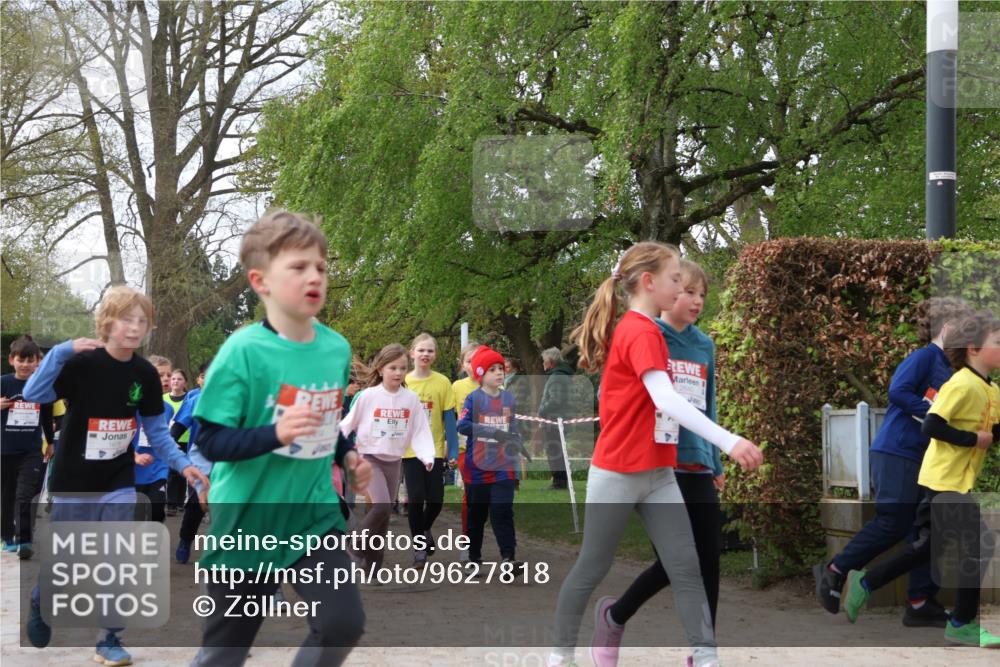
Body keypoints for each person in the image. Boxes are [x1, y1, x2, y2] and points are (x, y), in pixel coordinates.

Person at [546, 242, 763, 667]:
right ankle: (559, 657)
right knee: (592, 567)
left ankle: (706, 657)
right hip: (619, 472)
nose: (684, 289)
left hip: (660, 473)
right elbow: (666, 398)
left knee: (687, 567)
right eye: (676, 280)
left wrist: (712, 453)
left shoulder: (652, 330)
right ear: (649, 282)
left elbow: (678, 401)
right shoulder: (640, 329)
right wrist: (728, 441)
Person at [188, 210, 371, 667]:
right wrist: (274, 434)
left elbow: (324, 423)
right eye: (298, 267)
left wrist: (348, 456)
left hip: (312, 516)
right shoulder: (242, 351)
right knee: (224, 654)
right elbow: (210, 440)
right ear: (260, 281)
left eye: (321, 268)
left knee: (341, 624)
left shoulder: (336, 349)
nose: (315, 276)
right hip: (247, 521)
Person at [22, 285, 208, 666]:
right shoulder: (80, 362)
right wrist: (60, 352)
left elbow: (157, 432)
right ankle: (41, 600)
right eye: (126, 319)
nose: (135, 327)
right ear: (106, 322)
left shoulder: (143, 374)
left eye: (142, 321)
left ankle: (109, 639)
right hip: (74, 480)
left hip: (118, 480)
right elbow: (34, 392)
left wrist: (183, 464)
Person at [591, 259, 730, 667]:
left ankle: (703, 653)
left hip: (697, 464)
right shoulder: (650, 336)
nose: (696, 300)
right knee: (675, 562)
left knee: (709, 558)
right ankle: (615, 615)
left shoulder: (704, 345)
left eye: (702, 294)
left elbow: (709, 403)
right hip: (656, 464)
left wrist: (715, 458)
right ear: (665, 292)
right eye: (687, 291)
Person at [842, 309, 1000, 648]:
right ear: (973, 347)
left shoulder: (991, 390)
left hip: (957, 481)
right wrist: (973, 439)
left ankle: (867, 582)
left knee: (927, 549)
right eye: (998, 342)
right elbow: (932, 425)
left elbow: (992, 430)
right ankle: (962, 622)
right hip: (942, 480)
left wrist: (986, 436)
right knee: (979, 543)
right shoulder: (959, 383)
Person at [814, 296, 972, 627]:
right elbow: (897, 391)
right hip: (897, 451)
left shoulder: (954, 369)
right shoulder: (925, 358)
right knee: (894, 521)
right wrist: (935, 415)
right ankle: (836, 570)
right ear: (946, 328)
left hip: (927, 458)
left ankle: (919, 601)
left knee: (927, 529)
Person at [340, 343, 435, 571]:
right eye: (393, 368)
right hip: (369, 458)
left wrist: (426, 455)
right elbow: (347, 424)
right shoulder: (368, 396)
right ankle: (354, 548)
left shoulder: (411, 399)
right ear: (381, 369)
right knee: (382, 506)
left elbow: (420, 430)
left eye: (402, 368)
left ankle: (374, 567)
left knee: (381, 519)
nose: (398, 373)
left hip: (395, 462)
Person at [456, 345, 530, 573]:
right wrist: (493, 432)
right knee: (477, 515)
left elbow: (513, 425)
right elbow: (463, 425)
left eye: (501, 368)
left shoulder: (508, 399)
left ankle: (508, 559)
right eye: (492, 369)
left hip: (503, 466)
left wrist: (518, 444)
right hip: (477, 466)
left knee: (502, 510)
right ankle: (473, 558)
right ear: (480, 375)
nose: (499, 372)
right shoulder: (473, 399)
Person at [403, 333, 459, 568]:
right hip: (409, 451)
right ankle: (419, 549)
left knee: (436, 499)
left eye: (430, 351)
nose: (425, 354)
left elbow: (449, 420)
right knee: (415, 499)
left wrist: (453, 450)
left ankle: (425, 528)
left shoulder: (442, 382)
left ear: (435, 355)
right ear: (412, 352)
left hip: (434, 450)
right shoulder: (403, 381)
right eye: (421, 350)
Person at [1, 335, 55, 560]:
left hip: (31, 450)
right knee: (6, 495)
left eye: (29, 360)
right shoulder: (4, 382)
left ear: (36, 362)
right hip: (4, 449)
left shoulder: (42, 386)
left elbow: (46, 416)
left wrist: (50, 442)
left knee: (25, 494)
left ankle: (24, 539)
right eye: (20, 360)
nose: (24, 365)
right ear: (12, 360)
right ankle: (7, 536)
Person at [172, 360, 212, 564]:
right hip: (201, 458)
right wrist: (172, 448)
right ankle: (185, 540)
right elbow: (178, 426)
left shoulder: (241, 396)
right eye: (206, 375)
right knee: (196, 504)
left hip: (231, 460)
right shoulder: (194, 398)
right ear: (200, 379)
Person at [452, 340, 481, 556]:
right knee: (470, 496)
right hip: (465, 449)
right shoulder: (457, 387)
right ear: (463, 365)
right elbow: (450, 418)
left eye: (478, 359)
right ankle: (467, 540)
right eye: (469, 361)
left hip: (492, 450)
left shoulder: (496, 385)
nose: (474, 365)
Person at [538, 347, 574, 490]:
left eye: (544, 361)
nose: (543, 364)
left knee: (554, 451)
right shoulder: (560, 375)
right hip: (558, 419)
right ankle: (561, 481)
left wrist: (541, 410)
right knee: (558, 451)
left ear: (550, 362)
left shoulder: (557, 376)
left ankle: (559, 482)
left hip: (554, 420)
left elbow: (555, 400)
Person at [163, 366, 190, 515]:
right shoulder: (163, 398)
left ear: (185, 382)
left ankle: (181, 502)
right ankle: (172, 504)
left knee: (184, 471)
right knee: (172, 471)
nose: (175, 381)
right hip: (169, 438)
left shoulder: (189, 398)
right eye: (173, 378)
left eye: (179, 379)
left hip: (187, 438)